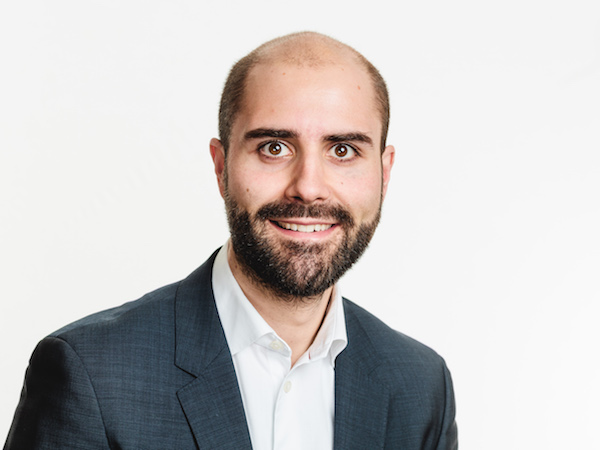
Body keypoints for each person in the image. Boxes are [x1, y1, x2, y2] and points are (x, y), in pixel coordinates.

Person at [5, 32, 457, 449]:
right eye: (274, 147)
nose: (308, 187)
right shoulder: (91, 374)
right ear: (221, 166)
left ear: (384, 172)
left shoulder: (421, 386)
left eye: (343, 150)